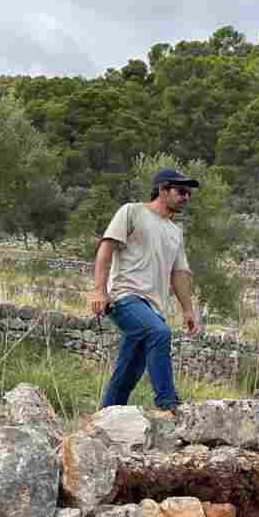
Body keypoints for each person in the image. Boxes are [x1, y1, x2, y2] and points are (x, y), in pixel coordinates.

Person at [90, 168, 200, 411]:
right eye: (181, 191)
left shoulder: (175, 232)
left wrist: (188, 310)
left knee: (130, 369)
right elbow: (106, 248)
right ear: (162, 189)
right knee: (159, 333)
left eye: (189, 193)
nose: (186, 197)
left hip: (154, 307)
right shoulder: (132, 211)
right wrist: (99, 290)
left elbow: (179, 273)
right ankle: (168, 403)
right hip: (125, 297)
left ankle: (107, 415)